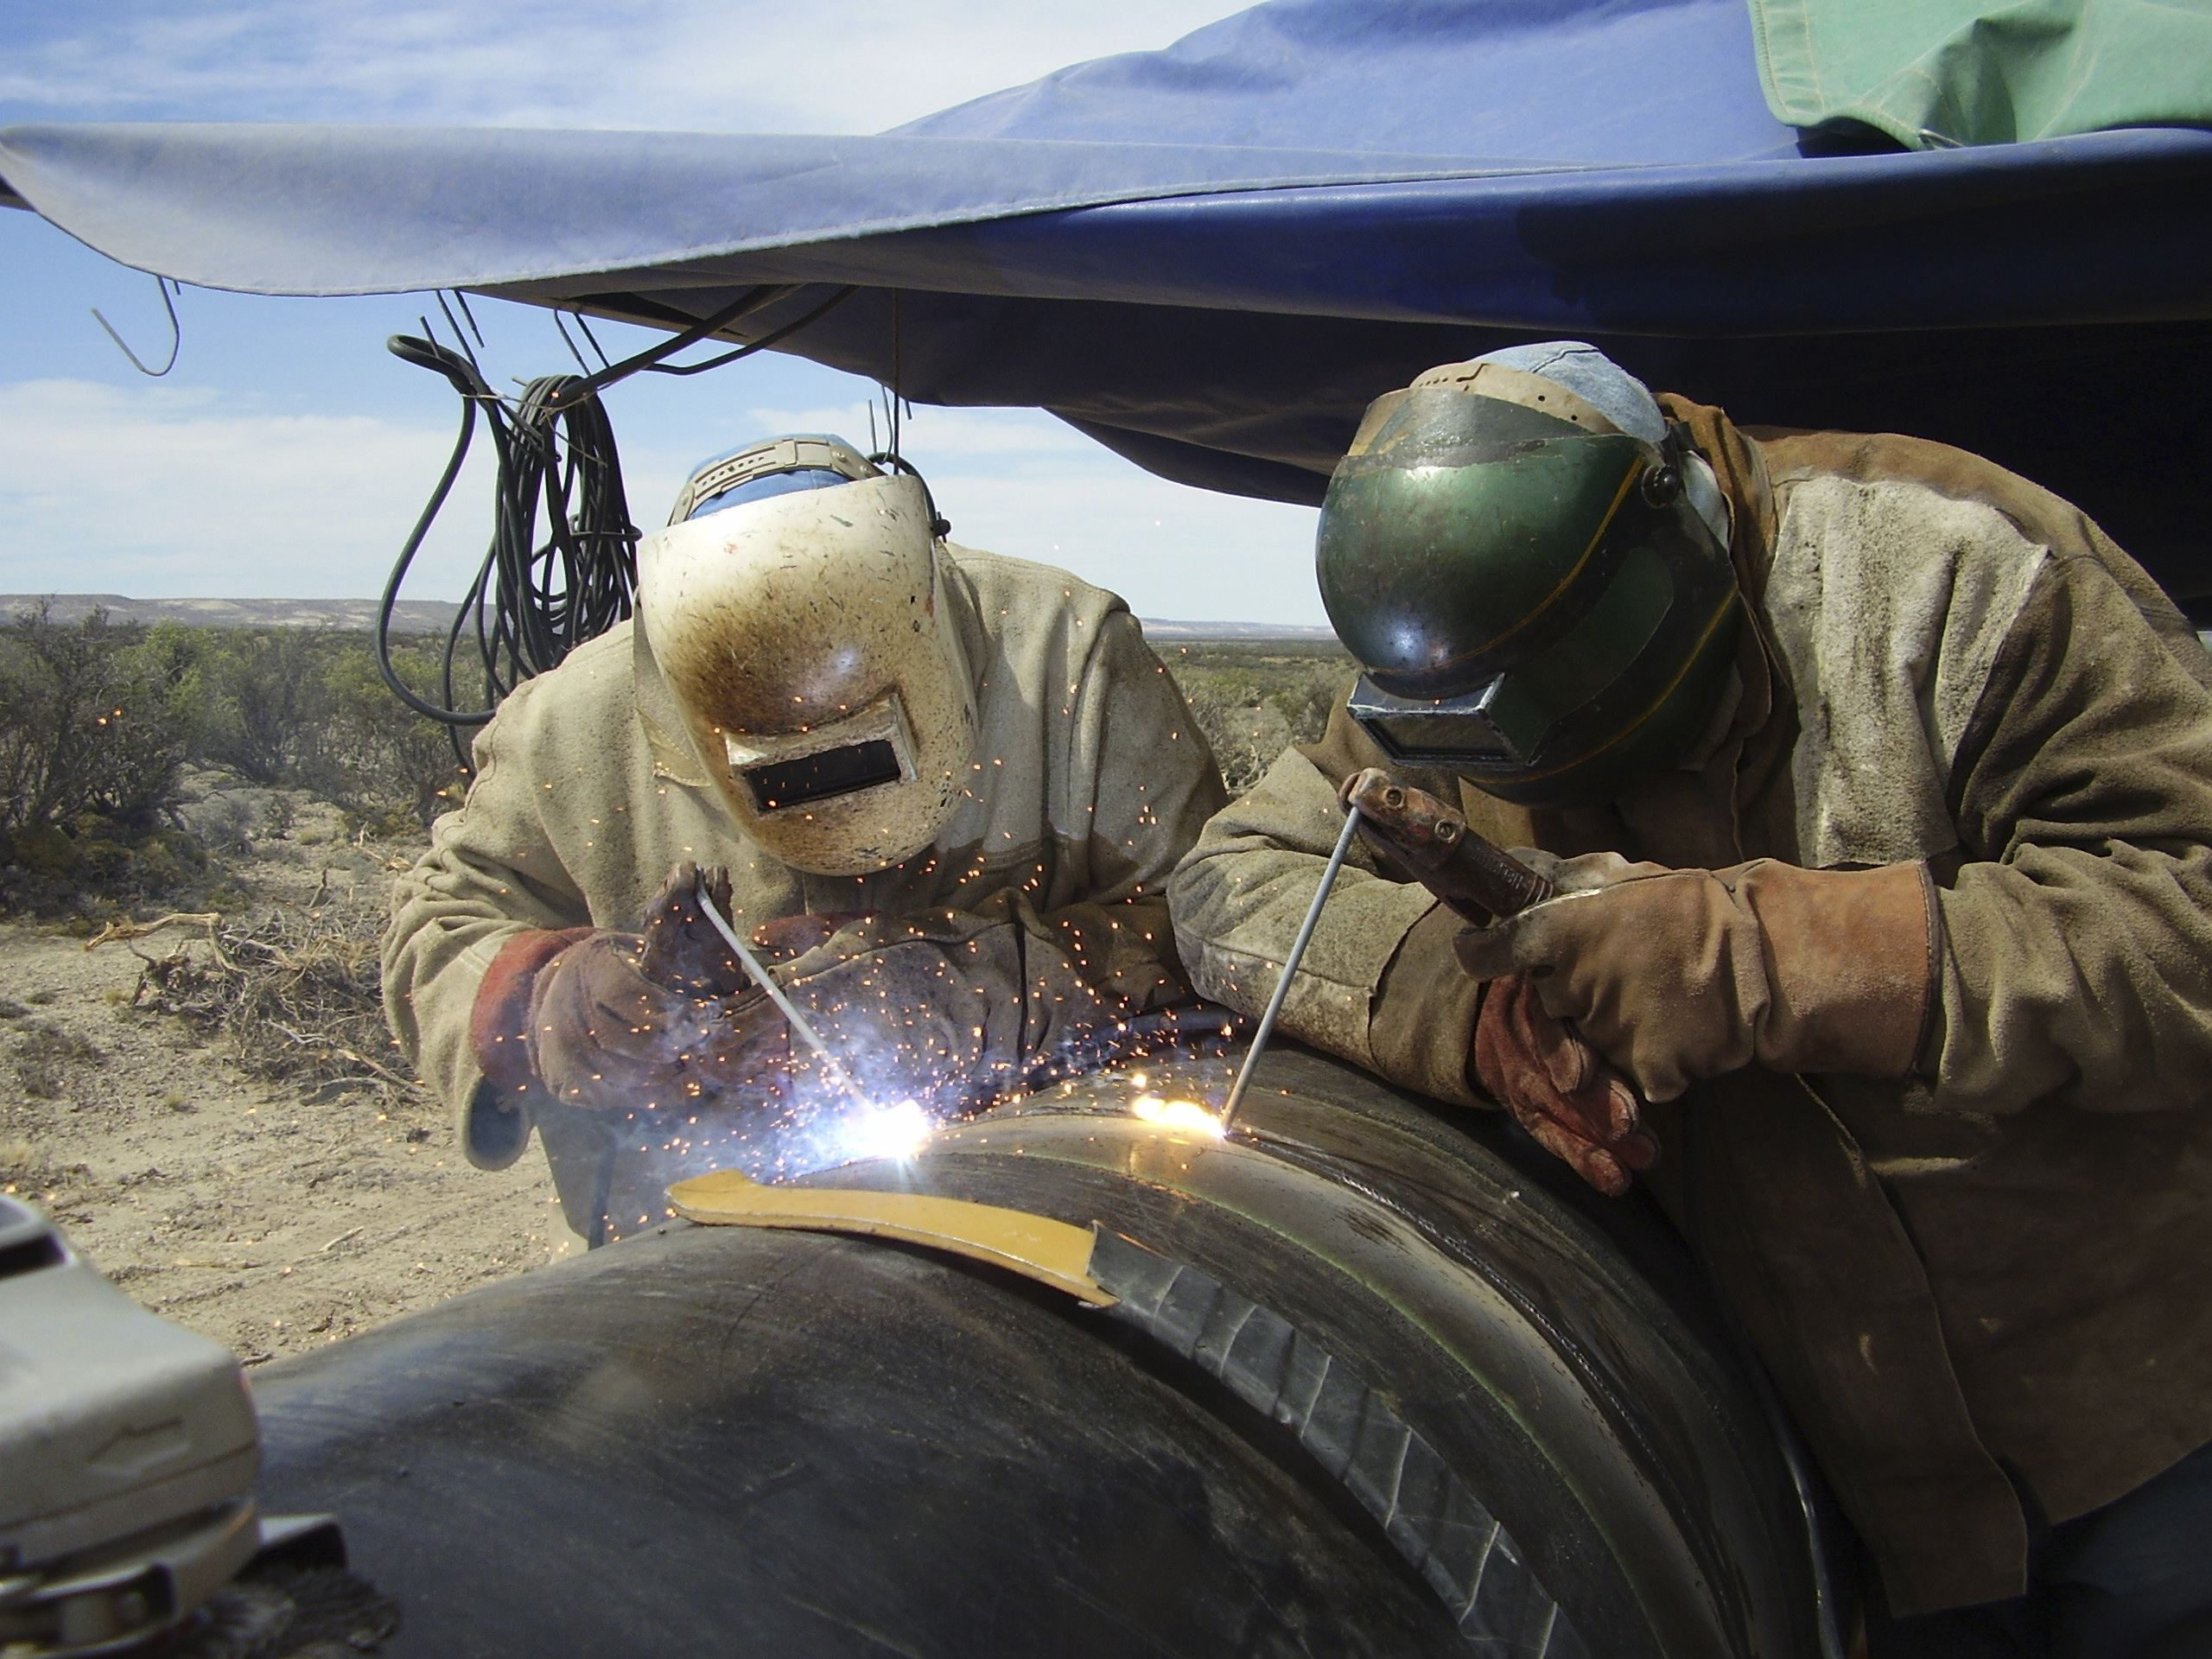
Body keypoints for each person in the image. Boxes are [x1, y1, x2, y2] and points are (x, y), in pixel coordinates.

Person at [1166, 344, 2212, 1656]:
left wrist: (1770, 956)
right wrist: (1475, 1015)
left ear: (1673, 553)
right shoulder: (1442, 669)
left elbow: (2188, 910)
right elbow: (1230, 883)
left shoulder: (1950, 570)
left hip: (2141, 1429)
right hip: (1820, 1476)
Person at [386, 433, 1224, 1244]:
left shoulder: (1066, 658)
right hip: (692, 1247)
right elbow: (439, 926)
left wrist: (966, 988)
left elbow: (1212, 937)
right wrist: (542, 1001)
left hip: (1049, 1212)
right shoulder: (570, 728)